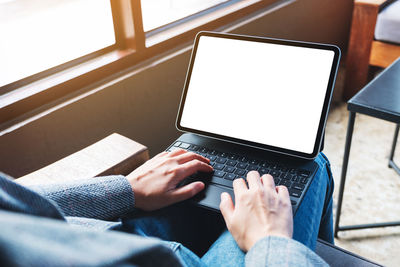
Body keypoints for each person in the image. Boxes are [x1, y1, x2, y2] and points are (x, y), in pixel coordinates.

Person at [0, 148, 334, 266]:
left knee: (211, 171)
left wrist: (127, 188)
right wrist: (272, 243)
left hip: (113, 238)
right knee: (311, 165)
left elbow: (16, 201)